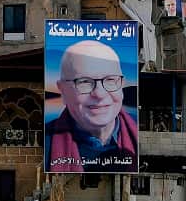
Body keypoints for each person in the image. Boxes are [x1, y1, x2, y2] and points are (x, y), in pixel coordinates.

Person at [45, 40, 137, 173]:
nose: (99, 94)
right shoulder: (47, 144)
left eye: (110, 80)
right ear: (63, 91)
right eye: (85, 82)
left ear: (122, 85)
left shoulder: (139, 138)